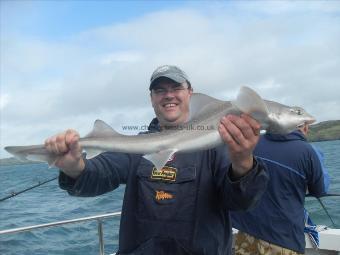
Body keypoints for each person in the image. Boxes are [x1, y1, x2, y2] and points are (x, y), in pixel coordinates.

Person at [45, 65, 269, 255]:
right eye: (160, 90)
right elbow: (100, 173)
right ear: (151, 98)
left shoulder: (218, 145)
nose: (168, 95)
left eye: (176, 88)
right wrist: (75, 168)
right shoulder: (137, 148)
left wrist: (243, 162)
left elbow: (241, 203)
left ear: (190, 93)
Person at [231, 122, 329, 255]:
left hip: (247, 232)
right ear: (305, 127)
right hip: (284, 239)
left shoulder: (254, 142)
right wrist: (318, 157)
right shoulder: (307, 151)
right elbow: (320, 190)